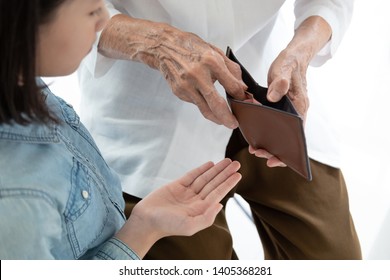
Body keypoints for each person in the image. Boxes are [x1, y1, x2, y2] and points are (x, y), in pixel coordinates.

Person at [78, 0, 362, 259]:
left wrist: (300, 52)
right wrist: (159, 44)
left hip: (268, 96)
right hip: (149, 124)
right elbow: (54, 11)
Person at [0, 0, 243, 260]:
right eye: (93, 10)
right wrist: (143, 232)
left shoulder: (26, 91)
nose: (105, 20)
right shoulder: (16, 200)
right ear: (26, 23)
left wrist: (144, 226)